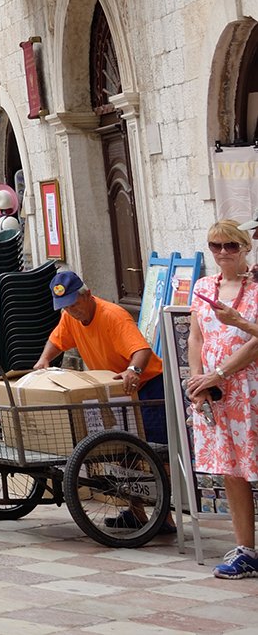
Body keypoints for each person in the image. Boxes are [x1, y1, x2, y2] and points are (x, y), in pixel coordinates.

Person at [183, 221, 258, 578]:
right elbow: (196, 336)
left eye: (231, 245)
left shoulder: (257, 287)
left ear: (246, 248)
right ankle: (245, 548)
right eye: (216, 246)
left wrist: (220, 373)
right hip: (218, 392)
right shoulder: (202, 287)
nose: (223, 252)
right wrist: (198, 379)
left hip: (249, 386)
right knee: (232, 470)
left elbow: (255, 342)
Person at [37, 270, 164, 440]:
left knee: (156, 445)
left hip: (148, 385)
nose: (71, 311)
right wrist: (44, 359)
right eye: (65, 307)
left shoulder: (112, 316)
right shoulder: (69, 317)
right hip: (116, 390)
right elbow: (57, 340)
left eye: (74, 305)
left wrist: (133, 370)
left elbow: (142, 350)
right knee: (124, 443)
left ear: (87, 294)